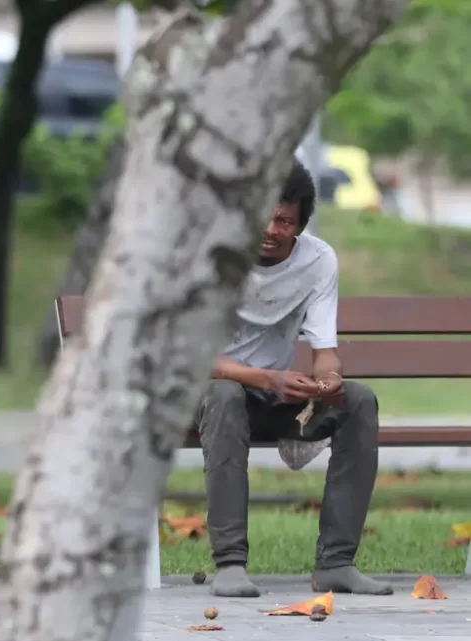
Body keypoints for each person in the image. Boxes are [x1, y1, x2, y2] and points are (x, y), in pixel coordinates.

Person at [198, 160, 389, 598]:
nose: (270, 228)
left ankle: (337, 563)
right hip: (205, 399)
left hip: (273, 400)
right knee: (225, 394)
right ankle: (229, 564)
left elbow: (325, 353)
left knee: (358, 401)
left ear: (300, 225)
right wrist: (264, 378)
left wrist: (329, 381)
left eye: (284, 220)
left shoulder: (318, 261)